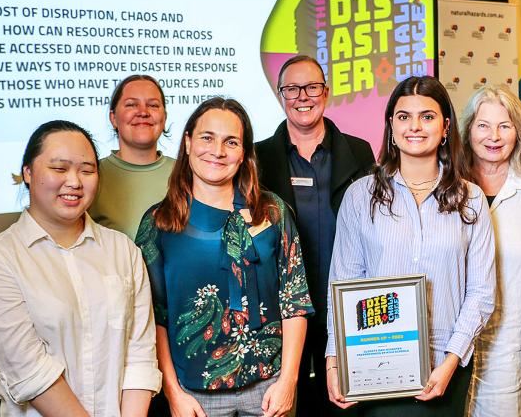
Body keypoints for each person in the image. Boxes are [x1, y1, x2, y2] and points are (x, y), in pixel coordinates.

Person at [325, 76, 496, 417]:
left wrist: (451, 362)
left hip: (444, 368)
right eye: (403, 117)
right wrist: (334, 361)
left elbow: (481, 291)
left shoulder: (471, 198)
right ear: (390, 126)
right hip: (375, 364)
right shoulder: (360, 196)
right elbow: (342, 284)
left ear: (446, 126)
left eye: (427, 116)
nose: (414, 126)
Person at [136, 97, 314, 417]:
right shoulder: (159, 223)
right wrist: (173, 393)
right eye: (207, 137)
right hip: (195, 395)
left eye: (230, 141)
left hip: (269, 387)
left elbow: (294, 302)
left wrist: (289, 380)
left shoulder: (273, 212)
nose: (217, 151)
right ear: (188, 142)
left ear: (243, 153)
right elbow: (154, 318)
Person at [0, 120, 161, 416]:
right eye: (59, 169)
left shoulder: (123, 251)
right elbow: (32, 374)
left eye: (86, 170)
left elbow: (139, 357)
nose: (74, 181)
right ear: (28, 173)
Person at [256, 55, 375, 416]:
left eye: (311, 87)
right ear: (280, 95)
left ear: (326, 92)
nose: (302, 96)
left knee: (344, 405)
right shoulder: (258, 157)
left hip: (344, 303)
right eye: (292, 88)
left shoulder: (359, 150)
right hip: (281, 311)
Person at [460, 85, 521, 416]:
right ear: (468, 130)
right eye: (483, 125)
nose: (494, 136)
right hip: (453, 349)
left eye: (505, 125)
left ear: (519, 132)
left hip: (516, 345)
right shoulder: (447, 191)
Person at [90, 74, 175, 240]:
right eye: (131, 105)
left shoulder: (187, 173)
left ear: (164, 118)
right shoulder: (91, 175)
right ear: (113, 118)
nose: (143, 112)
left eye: (153, 105)